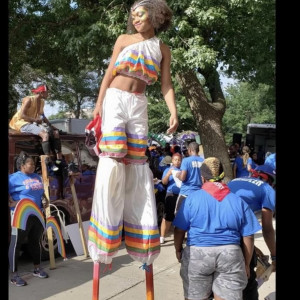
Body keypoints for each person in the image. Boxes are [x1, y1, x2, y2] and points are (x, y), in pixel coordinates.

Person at [88, 0, 178, 266]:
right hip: (116, 97)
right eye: (133, 16)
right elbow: (108, 74)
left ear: (155, 16)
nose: (136, 20)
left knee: (138, 163)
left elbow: (165, 83)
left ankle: (140, 237)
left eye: (141, 15)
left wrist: (173, 111)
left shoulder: (162, 49)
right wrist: (98, 105)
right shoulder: (124, 39)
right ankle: (106, 235)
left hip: (139, 103)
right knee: (113, 158)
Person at [173, 157, 261, 300]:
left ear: (202, 178)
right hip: (230, 255)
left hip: (197, 255)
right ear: (222, 176)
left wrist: (178, 250)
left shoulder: (191, 199)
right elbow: (248, 236)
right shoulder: (238, 201)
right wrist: (245, 263)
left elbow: (179, 230)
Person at [228, 164, 276, 300]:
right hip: (234, 244)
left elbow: (234, 222)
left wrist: (254, 249)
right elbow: (267, 229)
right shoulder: (267, 190)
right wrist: (274, 256)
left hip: (214, 237)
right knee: (248, 286)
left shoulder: (236, 180)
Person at [9, 152, 49, 287]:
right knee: (16, 243)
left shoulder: (36, 176)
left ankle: (37, 268)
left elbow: (40, 192)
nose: (33, 166)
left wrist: (44, 199)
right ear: (22, 165)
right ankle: (14, 276)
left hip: (37, 214)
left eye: (33, 164)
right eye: (30, 164)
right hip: (20, 215)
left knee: (34, 241)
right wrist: (12, 203)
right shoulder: (13, 178)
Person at [9, 84, 63, 171]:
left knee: (55, 133)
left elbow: (42, 116)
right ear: (42, 93)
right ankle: (48, 161)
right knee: (45, 135)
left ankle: (59, 160)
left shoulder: (42, 102)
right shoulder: (28, 99)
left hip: (32, 122)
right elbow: (22, 115)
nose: (48, 95)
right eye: (47, 93)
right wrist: (35, 120)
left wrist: (52, 126)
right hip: (21, 123)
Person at [174, 141, 204, 214]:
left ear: (189, 150)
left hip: (186, 193)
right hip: (199, 193)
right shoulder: (204, 161)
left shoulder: (186, 161)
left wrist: (177, 175)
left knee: (179, 215)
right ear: (198, 150)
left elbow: (183, 177)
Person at [159, 153, 182, 244]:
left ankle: (180, 235)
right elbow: (164, 182)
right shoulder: (168, 170)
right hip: (171, 194)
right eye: (175, 160)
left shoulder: (183, 170)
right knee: (168, 216)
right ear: (172, 161)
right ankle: (162, 236)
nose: (177, 161)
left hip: (181, 194)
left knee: (181, 216)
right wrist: (168, 175)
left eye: (179, 160)